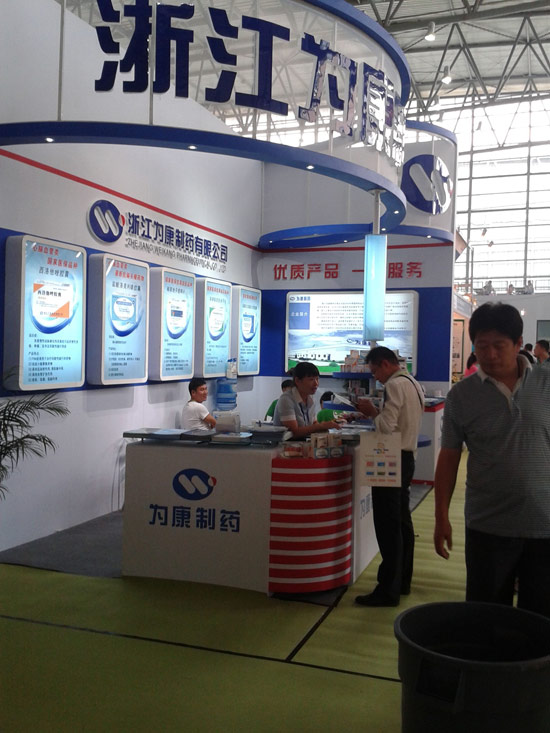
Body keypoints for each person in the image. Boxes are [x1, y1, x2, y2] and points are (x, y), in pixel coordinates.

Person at [434, 301, 550, 619]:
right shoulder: (461, 396)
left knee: (539, 620)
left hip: (544, 524)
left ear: (518, 343)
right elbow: (449, 457)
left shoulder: (546, 384)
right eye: (482, 346)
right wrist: (441, 516)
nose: (490, 354)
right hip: (487, 526)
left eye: (499, 345)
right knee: (485, 618)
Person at [354, 347, 424, 607]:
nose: (375, 377)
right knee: (402, 522)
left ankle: (387, 590)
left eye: (375, 371)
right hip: (407, 457)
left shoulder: (394, 386)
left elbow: (386, 427)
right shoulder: (413, 383)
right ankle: (402, 581)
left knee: (387, 525)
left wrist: (372, 412)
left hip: (391, 457)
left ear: (385, 364)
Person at [273, 362, 341, 438]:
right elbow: (293, 432)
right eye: (311, 379)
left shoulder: (310, 398)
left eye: (317, 379)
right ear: (297, 381)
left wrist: (328, 425)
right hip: (286, 444)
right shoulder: (286, 399)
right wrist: (320, 426)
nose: (316, 383)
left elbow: (313, 423)